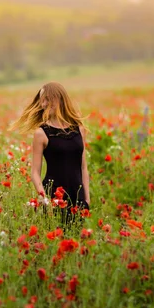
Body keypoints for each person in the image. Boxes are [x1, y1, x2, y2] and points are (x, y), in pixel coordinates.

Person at [9, 82, 90, 226]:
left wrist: (87, 199)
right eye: (41, 100)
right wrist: (44, 199)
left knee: (77, 241)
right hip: (54, 197)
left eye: (47, 99)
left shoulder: (79, 129)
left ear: (58, 98)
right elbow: (35, 172)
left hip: (77, 195)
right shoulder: (41, 133)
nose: (43, 104)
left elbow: (83, 167)